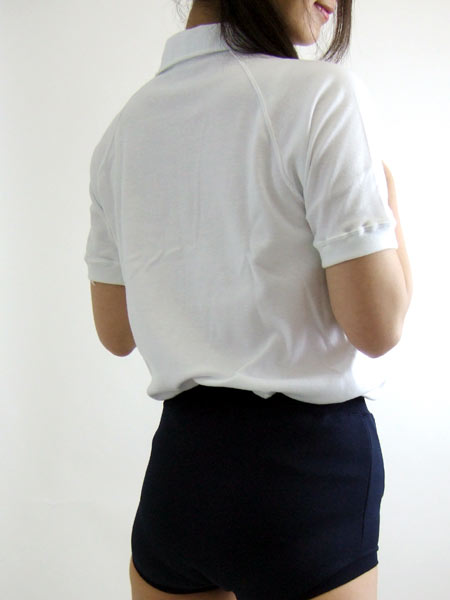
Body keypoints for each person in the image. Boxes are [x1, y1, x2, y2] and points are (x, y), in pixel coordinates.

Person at [84, 1, 413, 599]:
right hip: (304, 483)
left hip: (180, 477)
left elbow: (115, 332)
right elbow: (378, 326)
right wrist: (388, 206)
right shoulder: (321, 96)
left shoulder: (122, 131)